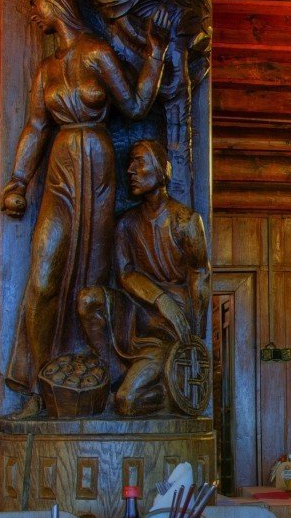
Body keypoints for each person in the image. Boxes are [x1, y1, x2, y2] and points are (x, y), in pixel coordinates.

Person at [0, 0, 175, 415]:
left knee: (93, 282)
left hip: (97, 168)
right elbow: (36, 128)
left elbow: (135, 105)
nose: (34, 13)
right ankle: (40, 389)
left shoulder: (97, 54)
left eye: (37, 3)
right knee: (42, 278)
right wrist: (19, 180)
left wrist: (156, 52)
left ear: (56, 3)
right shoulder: (47, 70)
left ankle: (96, 383)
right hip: (60, 170)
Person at [76, 139, 209, 416]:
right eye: (130, 163)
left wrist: (194, 337)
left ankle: (164, 391)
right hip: (136, 312)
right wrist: (160, 299)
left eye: (139, 162)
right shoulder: (126, 224)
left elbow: (200, 274)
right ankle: (110, 374)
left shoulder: (185, 221)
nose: (131, 171)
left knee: (126, 401)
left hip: (165, 331)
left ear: (161, 170)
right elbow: (125, 274)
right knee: (89, 300)